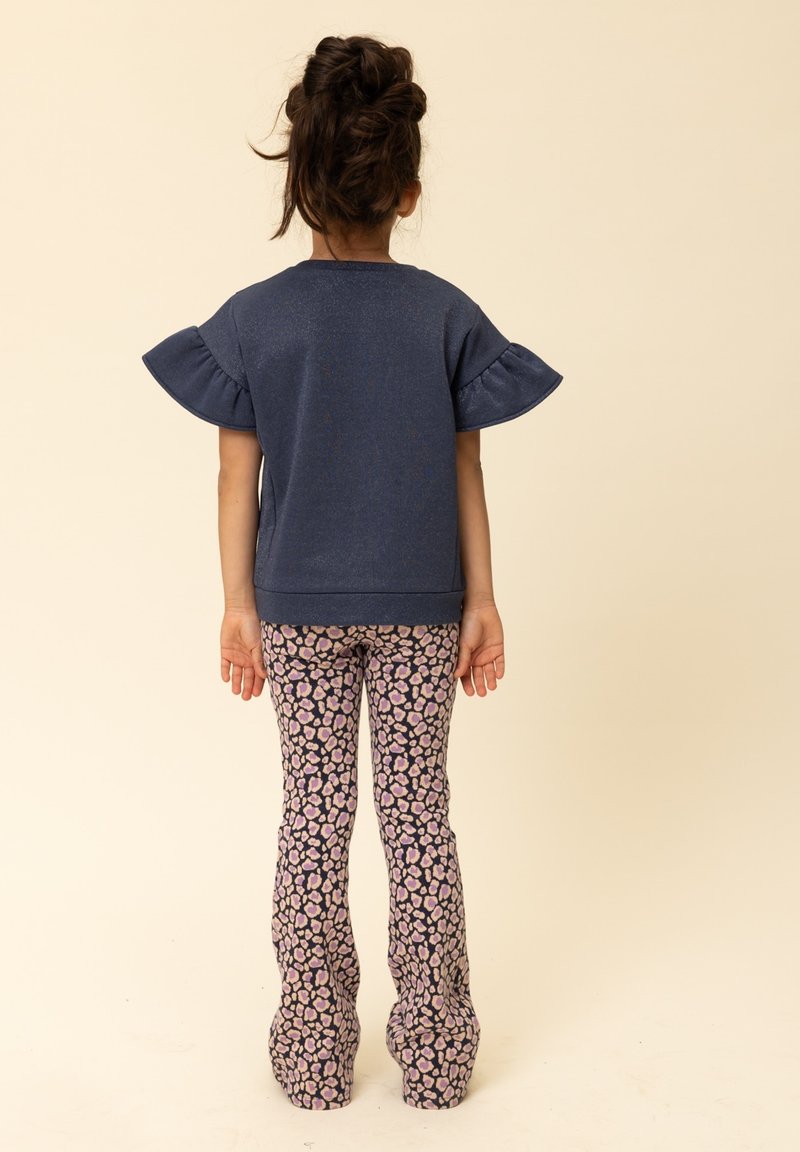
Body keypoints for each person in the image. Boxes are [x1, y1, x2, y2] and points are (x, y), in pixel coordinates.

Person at [141, 33, 563, 1113]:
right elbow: (465, 465)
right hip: (423, 610)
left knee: (312, 819)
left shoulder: (256, 320)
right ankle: (437, 1057)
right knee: (419, 824)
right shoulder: (444, 314)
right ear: (407, 191)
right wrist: (481, 598)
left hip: (297, 612)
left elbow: (235, 476)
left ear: (300, 185)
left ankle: (313, 1054)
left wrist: (238, 606)